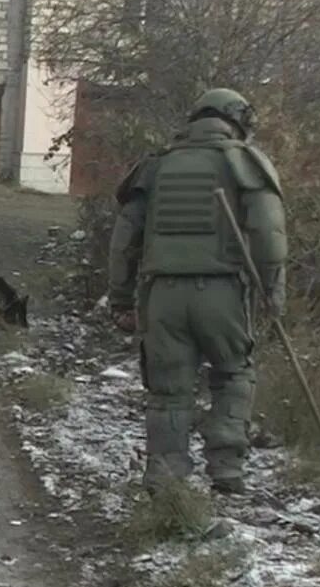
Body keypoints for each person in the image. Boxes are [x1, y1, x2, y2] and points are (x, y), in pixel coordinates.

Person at [107, 88, 286, 495]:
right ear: (238, 120)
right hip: (222, 293)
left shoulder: (155, 167)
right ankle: (226, 468)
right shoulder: (244, 163)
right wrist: (273, 292)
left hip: (162, 295)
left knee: (168, 388)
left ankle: (166, 477)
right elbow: (269, 234)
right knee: (234, 373)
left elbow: (123, 241)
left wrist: (119, 298)